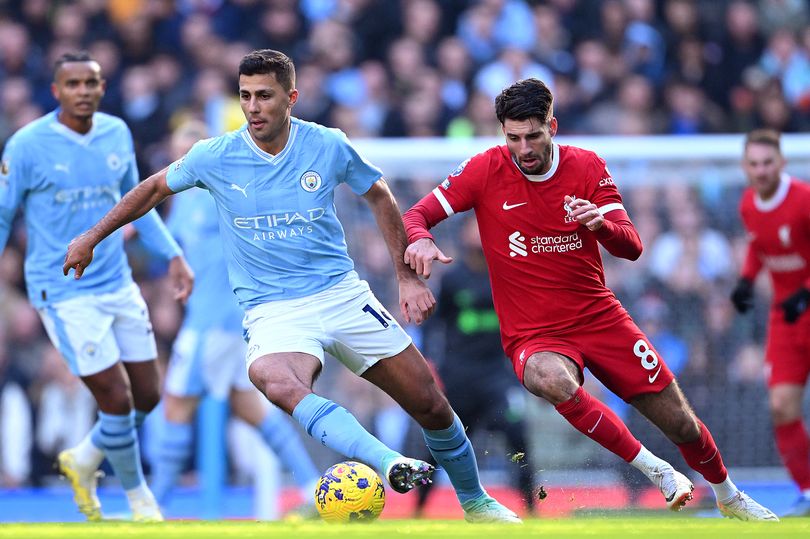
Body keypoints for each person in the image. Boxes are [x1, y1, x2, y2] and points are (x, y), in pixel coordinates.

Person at [63, 49, 518, 524]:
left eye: (264, 95)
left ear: (291, 98)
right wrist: (91, 236)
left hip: (342, 295)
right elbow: (152, 189)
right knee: (271, 379)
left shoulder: (327, 144)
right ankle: (387, 462)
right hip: (272, 310)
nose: (253, 107)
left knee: (429, 402)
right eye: (245, 96)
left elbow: (379, 194)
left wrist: (404, 276)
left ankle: (476, 502)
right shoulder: (214, 156)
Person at [402, 77, 778, 522]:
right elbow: (416, 214)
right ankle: (657, 472)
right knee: (549, 378)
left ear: (552, 126)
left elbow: (632, 246)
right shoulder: (485, 169)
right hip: (535, 333)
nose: (523, 148)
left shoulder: (586, 167)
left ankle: (729, 495)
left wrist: (601, 225)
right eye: (513, 137)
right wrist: (421, 240)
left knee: (680, 422)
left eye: (532, 135)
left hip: (600, 318)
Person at [0, 51, 194, 522]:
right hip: (61, 289)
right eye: (73, 84)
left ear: (103, 87)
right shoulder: (26, 145)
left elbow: (138, 204)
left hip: (117, 280)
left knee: (148, 394)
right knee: (116, 397)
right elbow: (4, 214)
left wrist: (173, 255)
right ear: (56, 91)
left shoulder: (116, 133)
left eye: (91, 83)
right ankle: (139, 500)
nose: (83, 91)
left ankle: (84, 457)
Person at [151, 120, 321, 515]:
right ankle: (313, 487)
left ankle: (152, 507)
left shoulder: (222, 193)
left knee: (176, 406)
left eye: (193, 149)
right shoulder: (183, 203)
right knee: (250, 407)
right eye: (181, 149)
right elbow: (171, 247)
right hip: (214, 321)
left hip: (215, 323)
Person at [413, 216, 536, 516]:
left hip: (497, 376)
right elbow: (434, 323)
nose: (479, 234)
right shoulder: (454, 280)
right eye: (474, 228)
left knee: (518, 433)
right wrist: (428, 359)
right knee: (439, 443)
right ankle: (417, 510)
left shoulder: (508, 274)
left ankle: (532, 509)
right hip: (459, 377)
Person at [731, 128, 810, 517]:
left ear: (781, 163)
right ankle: (809, 492)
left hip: (804, 303)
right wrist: (746, 280)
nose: (761, 171)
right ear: (745, 167)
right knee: (781, 406)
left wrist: (806, 290)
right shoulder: (748, 204)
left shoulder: (804, 200)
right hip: (786, 316)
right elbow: (759, 247)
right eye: (754, 164)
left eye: (768, 163)